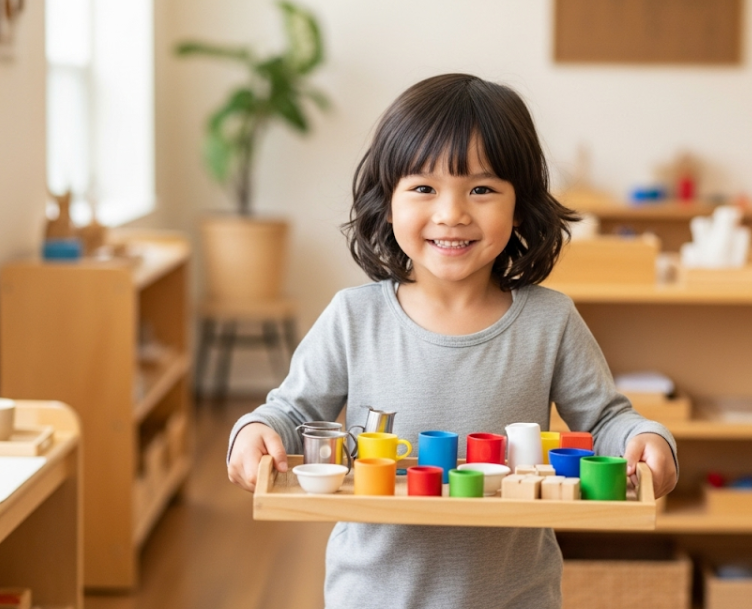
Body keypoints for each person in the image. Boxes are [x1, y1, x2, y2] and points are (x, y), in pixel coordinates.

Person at [227, 73, 679, 609]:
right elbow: (293, 411)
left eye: (482, 189)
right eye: (423, 188)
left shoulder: (549, 321)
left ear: (520, 205)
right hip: (371, 596)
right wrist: (255, 431)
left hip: (516, 596)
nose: (452, 213)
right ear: (387, 201)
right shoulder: (354, 317)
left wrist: (643, 439)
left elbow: (604, 421)